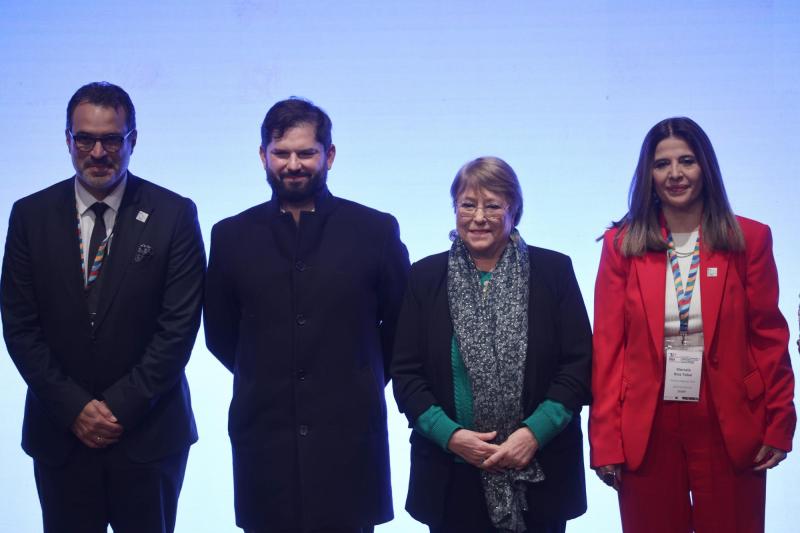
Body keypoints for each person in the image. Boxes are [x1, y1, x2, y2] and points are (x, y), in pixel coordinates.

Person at [0, 82, 205, 533]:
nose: (98, 152)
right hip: (60, 435)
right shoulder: (29, 216)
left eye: (112, 139)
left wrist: (118, 408)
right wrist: (74, 408)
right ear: (68, 140)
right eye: (85, 139)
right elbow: (19, 326)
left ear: (132, 140)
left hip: (150, 436)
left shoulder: (175, 215)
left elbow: (179, 328)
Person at [204, 97, 410, 533]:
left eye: (306, 153)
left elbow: (402, 328)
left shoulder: (375, 230)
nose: (293, 164)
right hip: (264, 438)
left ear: (329, 155)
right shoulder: (230, 236)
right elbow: (220, 335)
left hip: (349, 438)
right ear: (263, 155)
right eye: (281, 153)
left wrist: (356, 376)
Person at [589, 117, 796, 533]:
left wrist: (780, 420)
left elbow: (768, 336)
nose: (675, 174)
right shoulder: (622, 245)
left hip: (729, 415)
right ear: (648, 173)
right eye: (662, 164)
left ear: (706, 167)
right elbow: (608, 347)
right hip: (647, 421)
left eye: (687, 161)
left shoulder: (749, 238)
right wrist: (604, 439)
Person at [391, 156, 592, 533]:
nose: (478, 217)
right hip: (450, 476)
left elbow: (577, 366)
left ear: (514, 210)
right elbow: (406, 374)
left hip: (540, 473)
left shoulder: (554, 272)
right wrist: (451, 437)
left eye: (493, 205)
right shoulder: (425, 277)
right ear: (455, 209)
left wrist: (533, 434)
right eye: (468, 204)